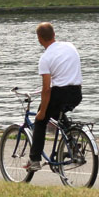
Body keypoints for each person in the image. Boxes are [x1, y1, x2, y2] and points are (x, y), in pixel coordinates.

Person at [24, 23, 83, 172]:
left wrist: (42, 112)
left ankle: (35, 160)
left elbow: (46, 89)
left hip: (59, 94)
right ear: (54, 34)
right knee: (57, 114)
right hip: (76, 93)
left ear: (39, 39)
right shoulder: (70, 46)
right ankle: (73, 145)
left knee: (40, 121)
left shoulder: (45, 58)